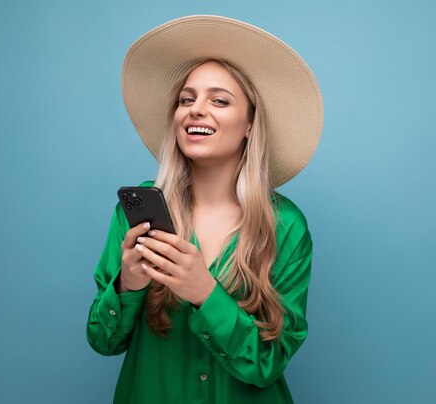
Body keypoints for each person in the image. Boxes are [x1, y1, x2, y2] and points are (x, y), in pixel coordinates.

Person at [86, 15, 323, 403]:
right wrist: (128, 284)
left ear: (250, 123)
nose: (196, 109)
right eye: (186, 98)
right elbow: (102, 341)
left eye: (219, 100)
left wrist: (205, 291)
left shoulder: (287, 226)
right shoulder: (137, 215)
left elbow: (268, 363)